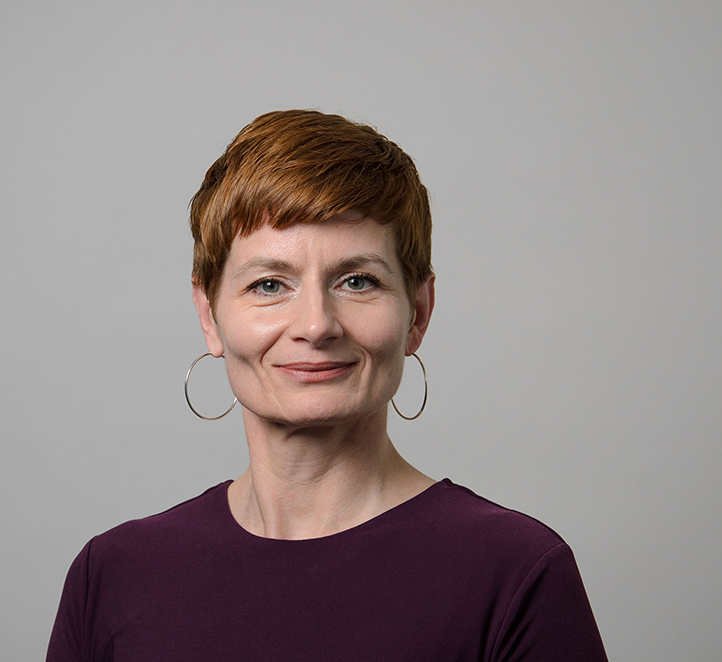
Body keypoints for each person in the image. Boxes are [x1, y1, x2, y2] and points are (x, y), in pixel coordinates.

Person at [46, 110, 608, 661]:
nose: (316, 325)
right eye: (269, 284)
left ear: (418, 312)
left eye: (358, 281)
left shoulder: (516, 573)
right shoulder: (113, 574)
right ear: (209, 316)